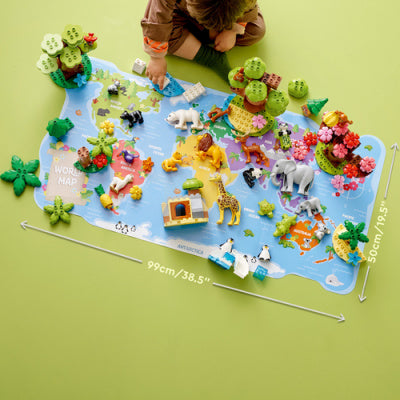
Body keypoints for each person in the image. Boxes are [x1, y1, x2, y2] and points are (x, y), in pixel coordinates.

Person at [141, 0, 266, 88]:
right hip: (180, 11)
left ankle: (191, 42)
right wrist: (156, 58)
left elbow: (249, 8)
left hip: (227, 13)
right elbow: (157, 18)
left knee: (256, 31)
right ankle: (211, 58)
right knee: (160, 40)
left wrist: (232, 30)